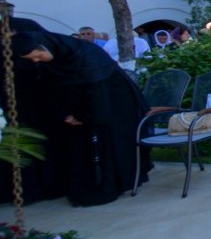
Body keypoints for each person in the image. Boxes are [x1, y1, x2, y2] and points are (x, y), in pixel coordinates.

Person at [12, 29, 151, 205]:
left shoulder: (85, 56)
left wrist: (86, 116)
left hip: (112, 105)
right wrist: (67, 113)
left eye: (38, 56)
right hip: (80, 111)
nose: (36, 61)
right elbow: (54, 89)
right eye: (32, 59)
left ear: (46, 47)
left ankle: (111, 185)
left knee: (110, 146)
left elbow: (96, 90)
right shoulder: (56, 60)